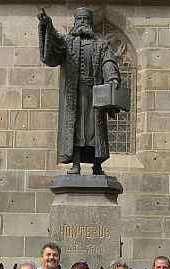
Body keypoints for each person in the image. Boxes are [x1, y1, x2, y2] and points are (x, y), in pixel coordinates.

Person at [37, 7, 121, 175]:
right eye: (79, 20)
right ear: (75, 22)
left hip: (95, 94)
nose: (82, 23)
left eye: (85, 20)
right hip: (74, 94)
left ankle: (97, 166)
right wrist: (47, 25)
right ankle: (76, 165)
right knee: (75, 131)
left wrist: (112, 77)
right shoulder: (67, 42)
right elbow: (53, 47)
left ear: (91, 23)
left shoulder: (101, 43)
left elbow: (108, 62)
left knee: (95, 131)